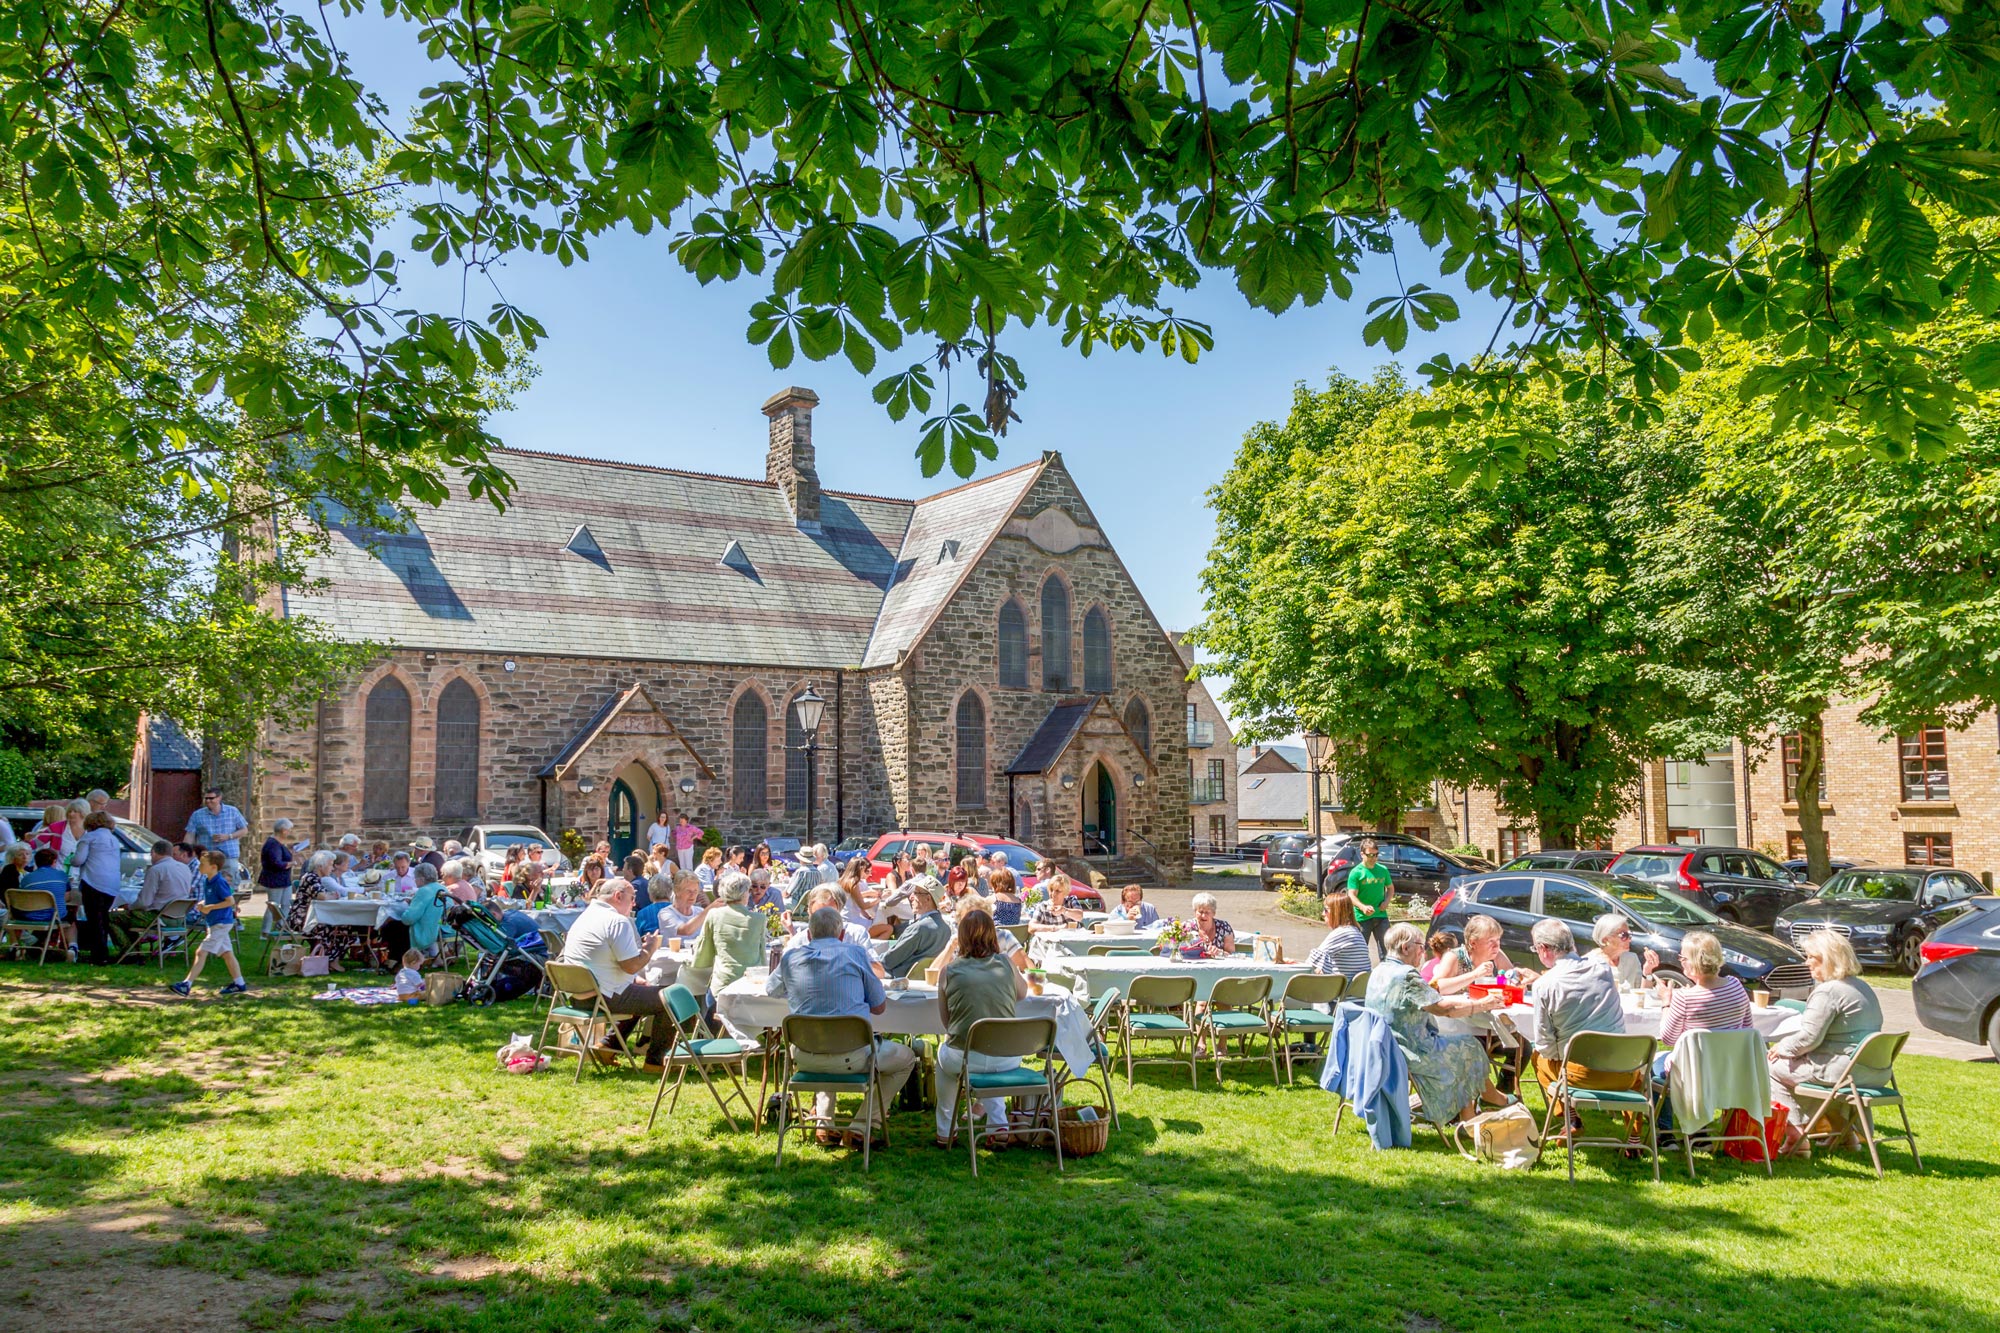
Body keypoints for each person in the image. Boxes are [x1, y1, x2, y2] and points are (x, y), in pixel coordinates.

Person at [765, 905, 916, 1149]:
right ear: (842, 934)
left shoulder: (791, 957)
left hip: (804, 1058)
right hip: (852, 1057)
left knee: (826, 1040)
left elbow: (771, 989)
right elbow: (879, 1007)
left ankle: (825, 1124)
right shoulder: (855, 954)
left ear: (810, 934)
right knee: (907, 1058)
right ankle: (862, 1125)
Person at [1365, 922, 1512, 1126]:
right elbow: (1443, 1008)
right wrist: (1480, 1004)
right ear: (1405, 948)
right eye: (1420, 946)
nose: (1423, 951)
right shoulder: (1406, 975)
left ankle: (1470, 1115)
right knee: (1470, 1047)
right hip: (1410, 1052)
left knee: (1464, 1045)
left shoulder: (1379, 970)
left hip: (1382, 1048)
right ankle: (1486, 1103)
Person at [1769, 930, 1882, 1156]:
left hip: (1842, 1071)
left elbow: (1808, 1038)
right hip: (1872, 1071)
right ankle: (1845, 1136)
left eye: (1812, 957)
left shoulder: (1829, 991)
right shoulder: (1862, 987)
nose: (1807, 961)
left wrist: (1780, 1048)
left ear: (1828, 958)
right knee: (1812, 1075)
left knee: (1771, 1069)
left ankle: (1796, 1137)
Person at [935, 908, 1032, 1147]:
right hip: (1006, 1056)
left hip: (964, 1054)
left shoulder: (949, 971)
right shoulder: (1007, 964)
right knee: (991, 1055)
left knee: (945, 1059)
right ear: (992, 935)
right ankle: (998, 1125)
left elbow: (947, 1022)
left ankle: (946, 1129)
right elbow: (1022, 993)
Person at [557, 878, 671, 1069]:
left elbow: (601, 961)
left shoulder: (585, 916)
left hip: (577, 995)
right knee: (671, 997)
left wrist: (634, 979)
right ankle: (655, 1062)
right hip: (601, 997)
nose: (634, 903)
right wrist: (650, 949)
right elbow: (631, 966)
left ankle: (608, 1046)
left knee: (642, 991)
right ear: (618, 896)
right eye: (632, 898)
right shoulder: (617, 921)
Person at [1527, 918, 1634, 1123]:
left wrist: (1559, 1051)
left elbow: (1544, 1044)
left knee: (1538, 1057)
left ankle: (1570, 1118)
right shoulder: (1603, 969)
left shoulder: (1544, 984)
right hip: (1624, 1071)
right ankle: (1634, 1136)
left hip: (1580, 1075)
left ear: (1543, 949)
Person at [1648, 929, 1752, 1135]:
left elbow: (1668, 1038)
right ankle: (1699, 1130)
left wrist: (1666, 1002)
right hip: (1729, 1070)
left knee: (1652, 1066)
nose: (1680, 962)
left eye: (1683, 958)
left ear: (1694, 962)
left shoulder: (1684, 998)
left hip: (1693, 1071)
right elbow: (1747, 1027)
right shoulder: (1736, 987)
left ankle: (1666, 1134)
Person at [170, 850, 248, 995]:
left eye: (203, 864)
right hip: (214, 923)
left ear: (213, 867)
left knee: (201, 952)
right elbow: (214, 899)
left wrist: (210, 907)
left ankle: (186, 984)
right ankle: (239, 983)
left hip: (221, 923)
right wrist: (204, 904)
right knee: (227, 954)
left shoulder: (219, 882)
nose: (200, 866)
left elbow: (230, 901)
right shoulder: (207, 880)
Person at [693, 871, 768, 995]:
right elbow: (762, 954)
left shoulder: (714, 915)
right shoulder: (759, 919)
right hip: (749, 985)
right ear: (745, 893)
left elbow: (704, 949)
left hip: (723, 983)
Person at [114, 839, 193, 954]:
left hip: (158, 918)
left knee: (112, 917)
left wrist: (129, 907)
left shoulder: (156, 870)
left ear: (153, 853)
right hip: (179, 918)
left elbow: (144, 902)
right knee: (127, 917)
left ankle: (128, 950)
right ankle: (133, 950)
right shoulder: (185, 868)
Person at [1431, 915, 1533, 995]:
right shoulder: (1454, 956)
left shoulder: (1497, 955)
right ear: (1473, 943)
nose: (1496, 945)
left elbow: (1514, 981)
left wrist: (1518, 982)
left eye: (1498, 940)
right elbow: (1434, 987)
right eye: (1490, 941)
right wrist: (1475, 974)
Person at [72, 810, 124, 965]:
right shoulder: (114, 839)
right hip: (112, 882)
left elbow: (78, 860)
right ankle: (102, 952)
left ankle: (99, 955)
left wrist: (72, 860)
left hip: (93, 880)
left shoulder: (89, 837)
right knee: (103, 917)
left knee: (94, 918)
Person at [881, 881, 951, 979]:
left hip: (899, 980)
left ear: (928, 898)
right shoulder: (946, 929)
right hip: (927, 981)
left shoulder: (919, 928)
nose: (911, 897)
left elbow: (888, 960)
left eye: (916, 893)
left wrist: (871, 960)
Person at [6, 848, 70, 955]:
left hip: (29, 915)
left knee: (10, 916)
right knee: (70, 918)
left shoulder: (27, 878)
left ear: (36, 862)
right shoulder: (62, 875)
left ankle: (17, 945)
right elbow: (67, 898)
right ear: (54, 862)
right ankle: (72, 947)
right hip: (53, 916)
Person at [380, 863, 447, 961]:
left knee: (391, 927)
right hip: (440, 926)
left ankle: (397, 960)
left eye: (415, 878)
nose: (414, 880)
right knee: (394, 925)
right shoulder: (441, 888)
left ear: (422, 879)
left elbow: (409, 919)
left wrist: (406, 909)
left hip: (425, 929)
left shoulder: (423, 891)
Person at [184, 788, 250, 884]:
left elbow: (244, 830)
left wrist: (228, 836)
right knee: (207, 884)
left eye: (211, 798)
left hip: (228, 856)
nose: (208, 801)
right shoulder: (197, 815)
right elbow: (190, 835)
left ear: (219, 798)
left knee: (229, 886)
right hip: (208, 857)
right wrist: (187, 852)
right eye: (206, 798)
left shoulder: (232, 811)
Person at [785, 886, 876, 955]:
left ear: (839, 912)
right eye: (817, 915)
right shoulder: (798, 941)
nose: (823, 920)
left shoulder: (856, 935)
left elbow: (878, 970)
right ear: (809, 913)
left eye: (830, 915)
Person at [1344, 838, 1393, 960]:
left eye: (1376, 855)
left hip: (1381, 916)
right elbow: (1351, 895)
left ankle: (1385, 977)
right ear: (1362, 854)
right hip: (1362, 918)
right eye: (1370, 855)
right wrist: (1363, 907)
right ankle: (1361, 976)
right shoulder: (1356, 872)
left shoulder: (1383, 870)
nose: (1374, 858)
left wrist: (1386, 902)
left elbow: (1391, 889)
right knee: (1359, 952)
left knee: (1387, 951)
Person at [1303, 892, 1372, 978]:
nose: (1323, 914)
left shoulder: (1341, 933)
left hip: (1342, 988)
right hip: (1356, 989)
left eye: (1326, 910)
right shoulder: (1354, 931)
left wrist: (1290, 964)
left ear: (1337, 912)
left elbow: (1312, 962)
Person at [1588, 913, 1660, 989]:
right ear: (1605, 939)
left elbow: (1645, 992)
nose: (1629, 939)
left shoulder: (1632, 959)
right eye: (1624, 935)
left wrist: (1648, 972)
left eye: (1630, 934)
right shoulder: (1591, 964)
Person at [258, 818, 296, 925]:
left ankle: (282, 927)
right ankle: (265, 932)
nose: (290, 832)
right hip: (275, 880)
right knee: (273, 906)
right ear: (283, 830)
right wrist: (292, 863)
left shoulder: (278, 843)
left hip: (284, 879)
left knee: (285, 904)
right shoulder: (273, 844)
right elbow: (277, 863)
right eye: (289, 829)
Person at [1187, 892, 1235, 958]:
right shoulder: (1187, 927)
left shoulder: (1224, 927)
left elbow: (1231, 954)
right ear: (1195, 912)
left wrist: (1219, 952)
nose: (1203, 916)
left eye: (1207, 912)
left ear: (1213, 913)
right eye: (1200, 912)